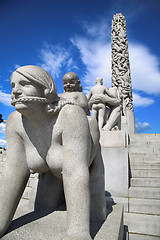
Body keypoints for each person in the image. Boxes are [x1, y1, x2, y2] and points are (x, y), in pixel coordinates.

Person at [0, 65, 106, 239]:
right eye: (13, 86)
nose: (15, 91)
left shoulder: (70, 115)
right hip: (50, 169)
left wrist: (77, 232)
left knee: (95, 214)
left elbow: (75, 172)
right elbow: (11, 174)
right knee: (44, 207)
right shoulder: (15, 123)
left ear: (46, 89)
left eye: (24, 84)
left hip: (87, 161)